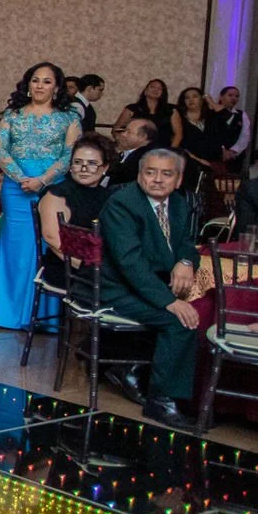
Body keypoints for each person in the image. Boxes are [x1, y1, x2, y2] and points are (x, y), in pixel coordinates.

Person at [98, 148, 204, 431]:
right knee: (180, 321)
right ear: (139, 175)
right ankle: (161, 401)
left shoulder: (178, 203)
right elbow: (130, 263)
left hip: (153, 283)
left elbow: (187, 243)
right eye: (150, 172)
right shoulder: (122, 205)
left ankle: (174, 388)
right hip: (118, 289)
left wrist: (185, 261)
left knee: (202, 307)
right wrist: (169, 301)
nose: (158, 179)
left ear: (178, 180)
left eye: (166, 174)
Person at [0, 63, 82, 329]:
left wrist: (43, 180)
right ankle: (9, 314)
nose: (40, 85)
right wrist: (21, 178)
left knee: (47, 244)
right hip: (16, 188)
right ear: (28, 84)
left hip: (53, 187)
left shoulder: (69, 118)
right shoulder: (13, 114)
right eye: (35, 80)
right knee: (16, 245)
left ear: (57, 87)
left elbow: (69, 154)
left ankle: (43, 317)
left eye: (47, 81)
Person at [38, 136, 113, 291]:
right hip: (67, 268)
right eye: (78, 162)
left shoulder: (109, 196)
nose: (84, 169)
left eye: (92, 163)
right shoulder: (57, 195)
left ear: (105, 167)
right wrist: (94, 270)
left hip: (100, 266)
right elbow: (53, 240)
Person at [175, 87, 225, 184]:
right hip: (189, 162)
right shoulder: (179, 117)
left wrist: (211, 102)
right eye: (187, 98)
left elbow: (227, 117)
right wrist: (198, 160)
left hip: (213, 163)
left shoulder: (211, 116)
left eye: (195, 96)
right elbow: (178, 142)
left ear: (202, 99)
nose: (191, 100)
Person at [117, 78, 181, 148]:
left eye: (159, 88)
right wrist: (125, 146)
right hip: (136, 149)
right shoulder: (132, 108)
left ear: (163, 93)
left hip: (163, 149)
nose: (155, 90)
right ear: (145, 91)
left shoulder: (171, 109)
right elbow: (116, 130)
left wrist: (170, 151)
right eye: (152, 87)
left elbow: (178, 134)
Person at [109, 117, 159, 186]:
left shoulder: (144, 158)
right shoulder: (123, 152)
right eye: (124, 131)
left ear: (142, 137)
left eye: (128, 132)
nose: (123, 134)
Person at [212, 86, 252, 165]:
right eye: (230, 95)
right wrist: (222, 149)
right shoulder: (212, 113)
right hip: (214, 156)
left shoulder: (241, 114)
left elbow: (245, 136)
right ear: (221, 97)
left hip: (234, 158)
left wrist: (233, 151)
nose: (234, 98)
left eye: (237, 96)